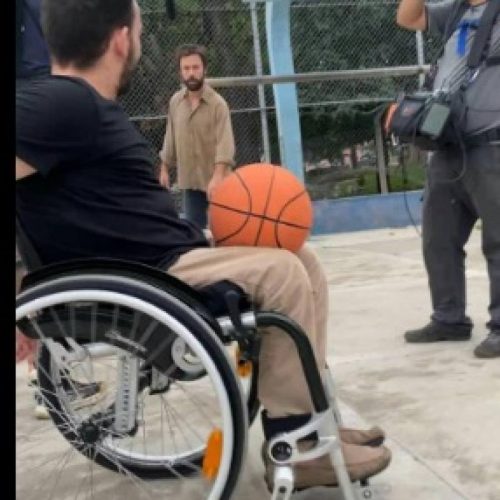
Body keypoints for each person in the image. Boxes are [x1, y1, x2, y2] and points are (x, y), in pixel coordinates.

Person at [16, 0, 391, 489]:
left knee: (301, 259)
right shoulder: (63, 101)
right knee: (283, 273)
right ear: (121, 39)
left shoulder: (76, 104)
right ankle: (296, 448)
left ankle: (312, 423)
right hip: (152, 276)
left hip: (160, 262)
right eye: (141, 32)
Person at [396, 0, 500, 358]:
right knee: (438, 237)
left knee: (498, 240)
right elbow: (407, 17)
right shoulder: (454, 11)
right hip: (448, 143)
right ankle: (449, 318)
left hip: (491, 142)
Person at [158, 43, 235, 229]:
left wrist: (217, 177)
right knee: (195, 235)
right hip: (190, 183)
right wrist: (164, 168)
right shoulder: (175, 102)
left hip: (218, 183)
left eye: (195, 67)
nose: (191, 73)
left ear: (204, 69)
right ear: (180, 72)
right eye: (186, 68)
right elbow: (170, 138)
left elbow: (225, 145)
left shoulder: (218, 104)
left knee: (225, 234)